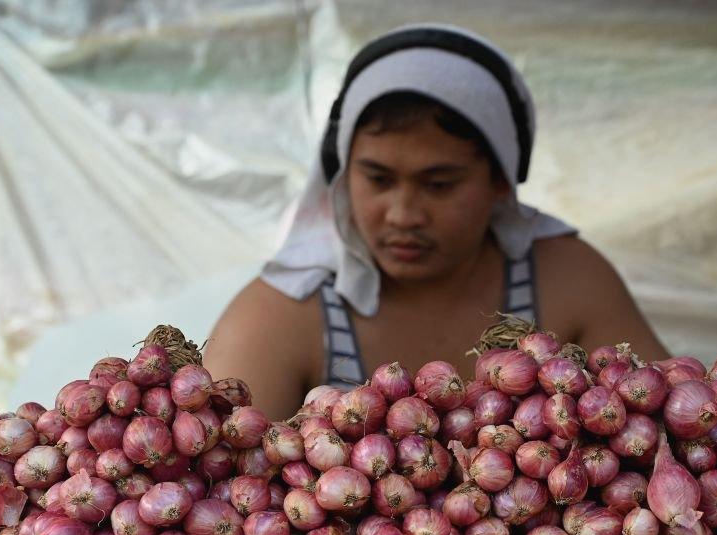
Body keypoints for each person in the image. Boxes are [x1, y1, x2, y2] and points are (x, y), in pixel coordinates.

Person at [205, 24, 668, 420]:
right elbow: (214, 477)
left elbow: (670, 416)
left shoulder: (568, 280)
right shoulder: (284, 315)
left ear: (501, 181)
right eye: (378, 179)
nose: (404, 214)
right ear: (344, 176)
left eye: (440, 184)